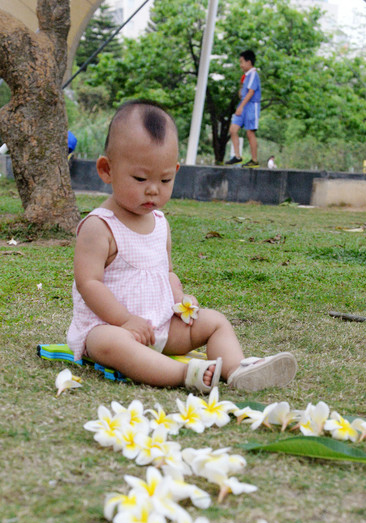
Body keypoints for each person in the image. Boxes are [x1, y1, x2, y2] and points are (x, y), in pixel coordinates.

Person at [67, 100, 297, 394]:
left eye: (165, 179)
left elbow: (167, 272)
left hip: (161, 328)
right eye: (140, 178)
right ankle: (184, 373)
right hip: (111, 328)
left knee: (214, 321)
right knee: (109, 343)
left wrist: (180, 299)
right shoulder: (100, 225)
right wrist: (125, 321)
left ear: (175, 170)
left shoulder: (160, 223)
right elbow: (88, 283)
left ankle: (238, 369)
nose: (153, 189)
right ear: (106, 169)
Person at [225, 50, 261, 168]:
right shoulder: (245, 76)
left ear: (249, 62)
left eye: (242, 62)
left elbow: (251, 92)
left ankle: (254, 160)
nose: (240, 65)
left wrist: (241, 107)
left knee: (250, 132)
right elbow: (243, 93)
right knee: (233, 129)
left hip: (250, 106)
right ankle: (237, 156)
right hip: (243, 104)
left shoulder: (253, 74)